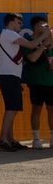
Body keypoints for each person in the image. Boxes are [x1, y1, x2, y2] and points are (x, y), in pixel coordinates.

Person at [0, 13, 43, 150]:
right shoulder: (9, 34)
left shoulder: (8, 34)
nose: (21, 25)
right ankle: (2, 139)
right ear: (10, 23)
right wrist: (45, 34)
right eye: (18, 22)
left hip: (11, 76)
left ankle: (10, 139)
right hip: (8, 76)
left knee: (12, 108)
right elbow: (32, 44)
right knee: (12, 108)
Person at [23, 16, 53, 149]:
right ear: (35, 27)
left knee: (51, 109)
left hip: (51, 82)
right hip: (36, 81)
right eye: (43, 25)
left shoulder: (51, 41)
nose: (46, 28)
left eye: (47, 26)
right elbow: (33, 58)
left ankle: (52, 138)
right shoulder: (29, 42)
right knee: (36, 109)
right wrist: (43, 45)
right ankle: (36, 139)